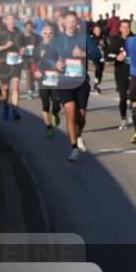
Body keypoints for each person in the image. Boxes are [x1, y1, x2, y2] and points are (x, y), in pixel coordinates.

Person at [55, 12, 101, 161]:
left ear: (77, 23)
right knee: (70, 111)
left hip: (81, 82)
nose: (71, 24)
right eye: (68, 21)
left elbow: (97, 55)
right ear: (64, 23)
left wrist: (83, 53)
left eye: (74, 21)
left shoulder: (84, 38)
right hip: (65, 81)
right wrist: (56, 64)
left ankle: (78, 133)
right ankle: (74, 147)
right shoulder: (58, 39)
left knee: (81, 117)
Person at [33, 24, 62, 139]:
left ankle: (55, 113)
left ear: (53, 35)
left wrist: (59, 70)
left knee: (56, 102)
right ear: (41, 34)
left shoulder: (58, 47)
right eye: (45, 33)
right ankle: (48, 128)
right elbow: (33, 63)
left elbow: (62, 61)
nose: (47, 35)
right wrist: (36, 72)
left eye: (50, 33)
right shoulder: (38, 48)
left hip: (55, 79)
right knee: (45, 104)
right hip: (43, 80)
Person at [0, 14, 26, 121]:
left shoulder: (19, 33)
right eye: (10, 20)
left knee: (16, 86)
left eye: (13, 20)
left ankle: (15, 110)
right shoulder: (1, 33)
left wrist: (22, 50)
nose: (12, 22)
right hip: (4, 62)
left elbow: (23, 46)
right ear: (6, 21)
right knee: (5, 87)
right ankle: (5, 106)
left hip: (17, 61)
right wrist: (6, 46)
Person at [104, 19, 134, 130]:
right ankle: (123, 119)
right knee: (123, 97)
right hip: (120, 74)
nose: (125, 30)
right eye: (123, 27)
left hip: (134, 73)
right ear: (120, 29)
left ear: (130, 28)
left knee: (133, 96)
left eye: (127, 27)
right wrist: (117, 57)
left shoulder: (135, 39)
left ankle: (132, 111)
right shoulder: (116, 41)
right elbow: (107, 56)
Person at [21, 21, 41, 100]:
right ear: (25, 27)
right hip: (25, 58)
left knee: (34, 76)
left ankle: (33, 87)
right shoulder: (21, 36)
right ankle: (30, 92)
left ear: (32, 28)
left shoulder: (36, 37)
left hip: (34, 58)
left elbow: (41, 45)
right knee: (28, 75)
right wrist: (21, 49)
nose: (28, 28)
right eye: (27, 27)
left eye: (30, 27)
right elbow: (18, 45)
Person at [90, 24, 107, 94]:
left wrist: (104, 45)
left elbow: (106, 45)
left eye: (99, 30)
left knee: (101, 70)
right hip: (95, 57)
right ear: (94, 31)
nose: (98, 31)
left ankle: (97, 83)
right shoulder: (91, 38)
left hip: (102, 57)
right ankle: (96, 85)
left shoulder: (103, 37)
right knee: (98, 68)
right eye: (96, 30)